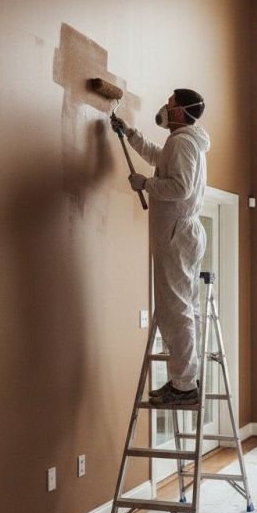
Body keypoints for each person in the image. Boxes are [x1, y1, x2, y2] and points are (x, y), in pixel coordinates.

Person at [111, 88, 209, 404]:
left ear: (181, 111)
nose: (165, 107)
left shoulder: (181, 142)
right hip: (182, 233)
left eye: (171, 103)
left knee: (175, 308)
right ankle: (187, 377)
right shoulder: (181, 142)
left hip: (176, 233)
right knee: (184, 306)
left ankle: (183, 385)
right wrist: (130, 135)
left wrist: (146, 185)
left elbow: (180, 187)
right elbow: (158, 158)